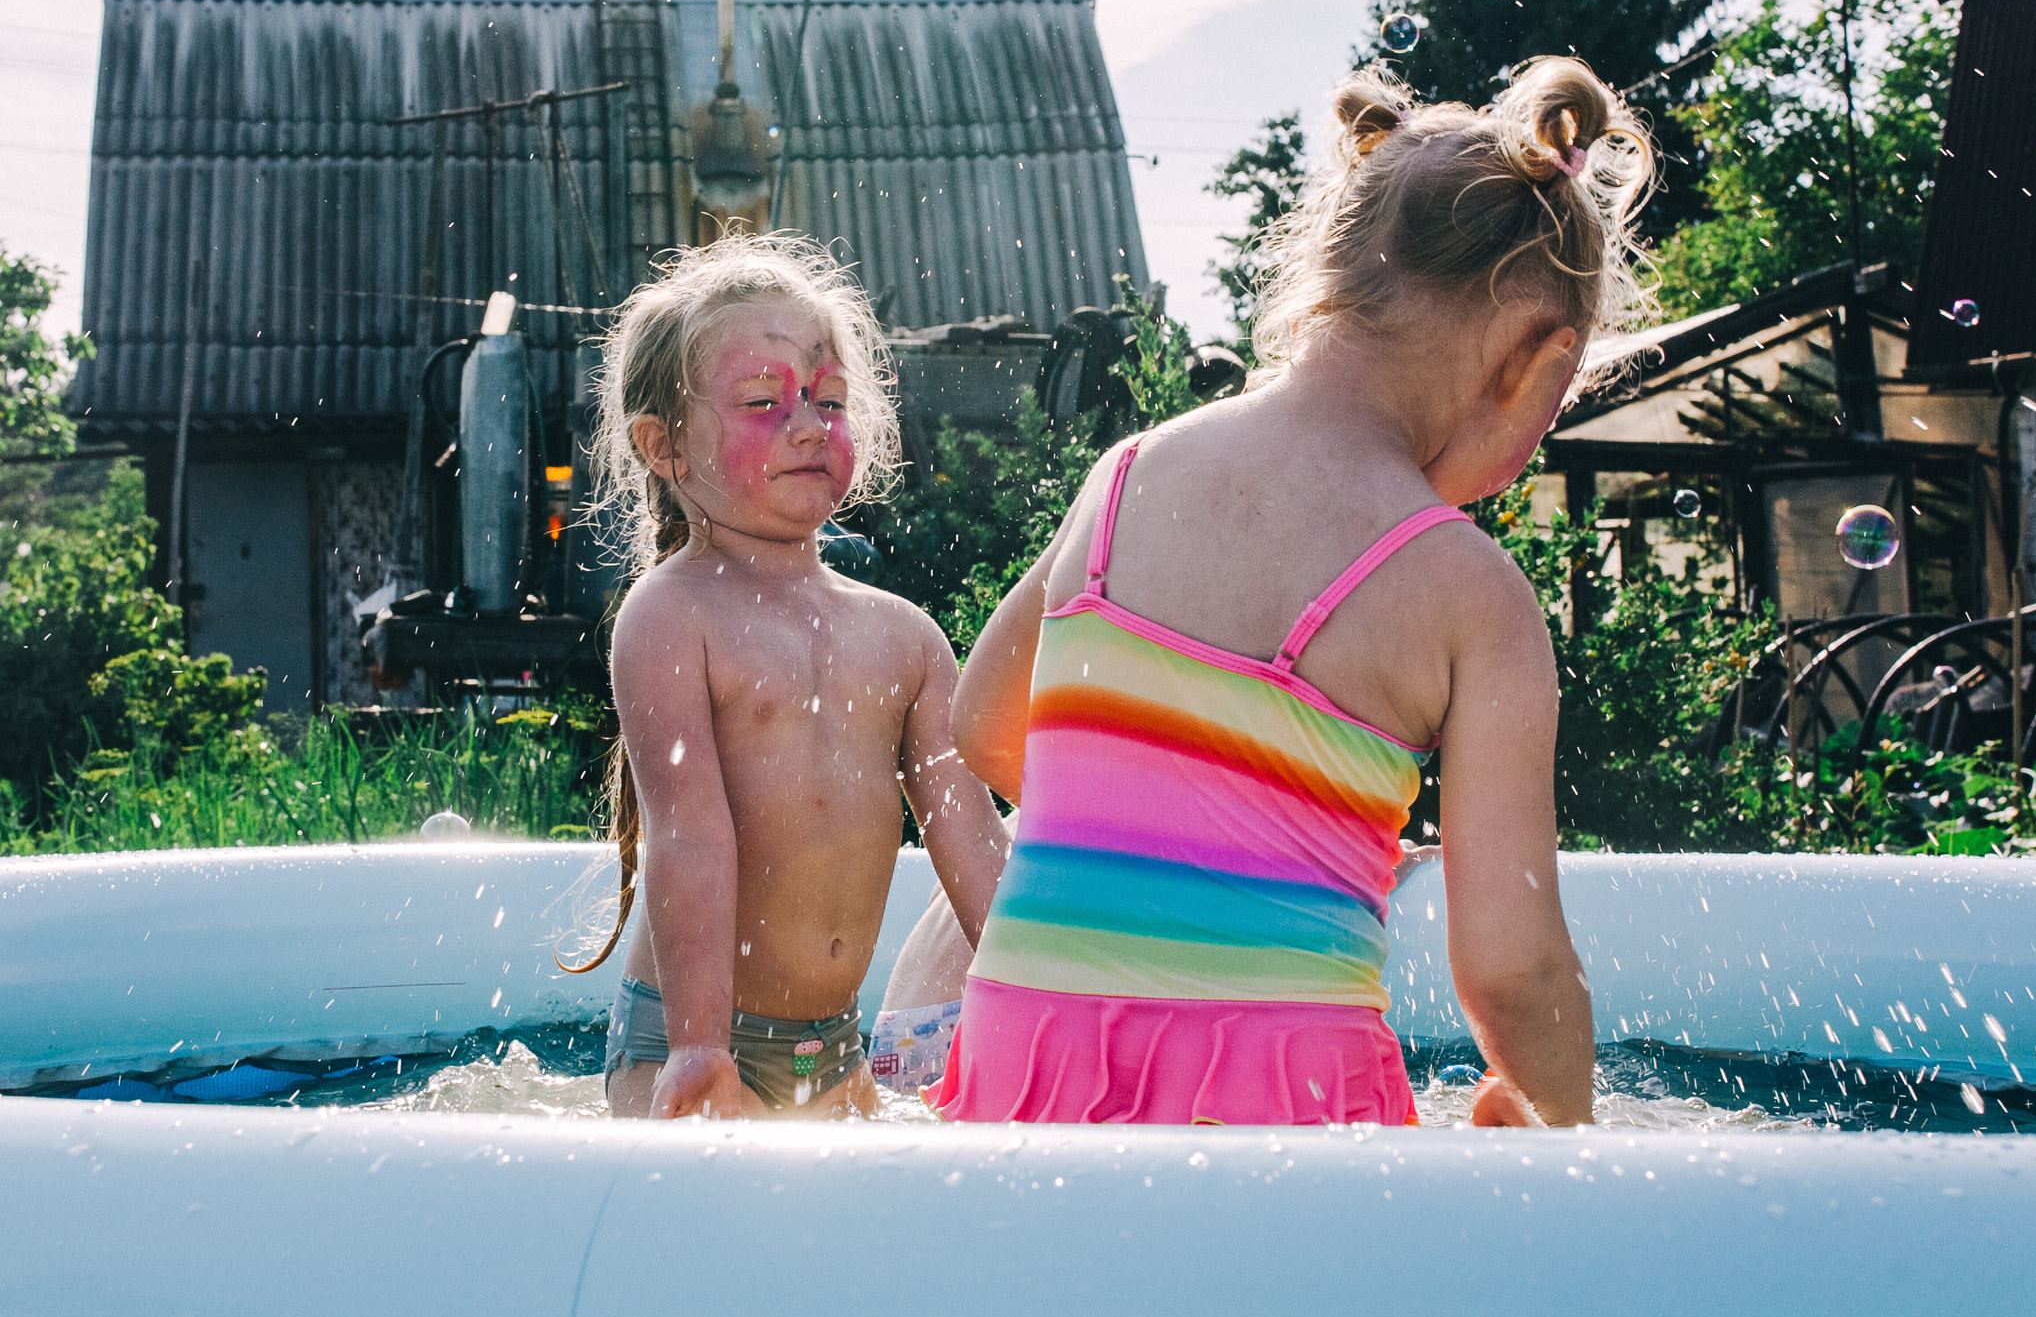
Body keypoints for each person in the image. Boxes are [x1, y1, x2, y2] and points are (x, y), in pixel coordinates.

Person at [930, 57, 1651, 1128]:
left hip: (1026, 1069)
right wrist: (1562, 1129)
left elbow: (985, 726)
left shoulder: (1126, 477)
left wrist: (1202, 824)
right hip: (1282, 1101)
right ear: (1537, 366)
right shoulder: (1471, 595)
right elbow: (1513, 969)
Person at [573, 233, 1007, 1119]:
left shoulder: (906, 638)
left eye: (829, 400)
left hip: (833, 1051)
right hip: (689, 1038)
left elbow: (975, 847)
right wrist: (699, 1046)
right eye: (764, 401)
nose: (809, 424)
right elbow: (689, 836)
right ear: (665, 445)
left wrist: (1056, 1004)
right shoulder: (672, 616)